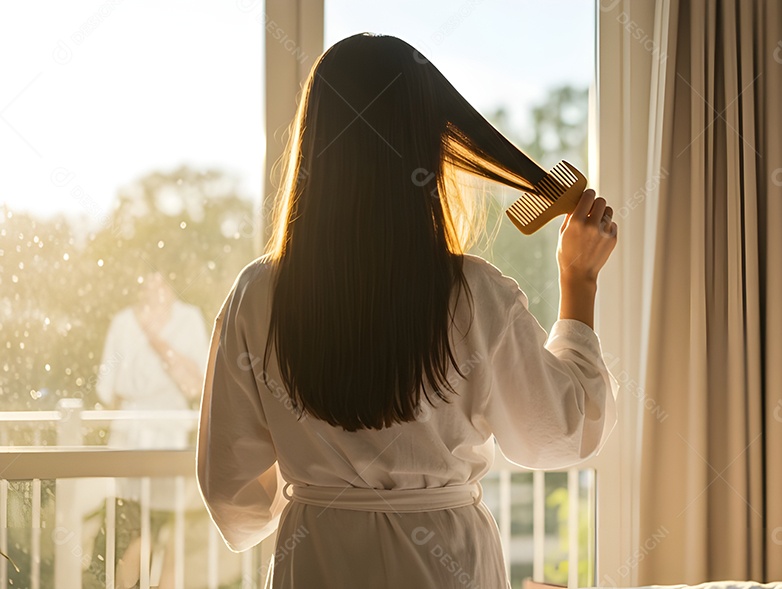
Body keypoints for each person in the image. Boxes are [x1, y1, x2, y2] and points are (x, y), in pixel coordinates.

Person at [197, 33, 618, 588]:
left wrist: (326, 476)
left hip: (316, 561)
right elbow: (561, 434)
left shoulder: (256, 293)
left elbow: (233, 494)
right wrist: (579, 280)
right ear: (427, 148)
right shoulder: (473, 292)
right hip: (447, 565)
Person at [95, 269, 209, 588]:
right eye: (146, 281)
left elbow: (195, 385)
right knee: (133, 528)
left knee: (169, 530)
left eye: (160, 280)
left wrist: (155, 339)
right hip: (128, 438)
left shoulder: (189, 319)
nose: (153, 288)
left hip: (171, 437)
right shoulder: (122, 322)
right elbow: (109, 391)